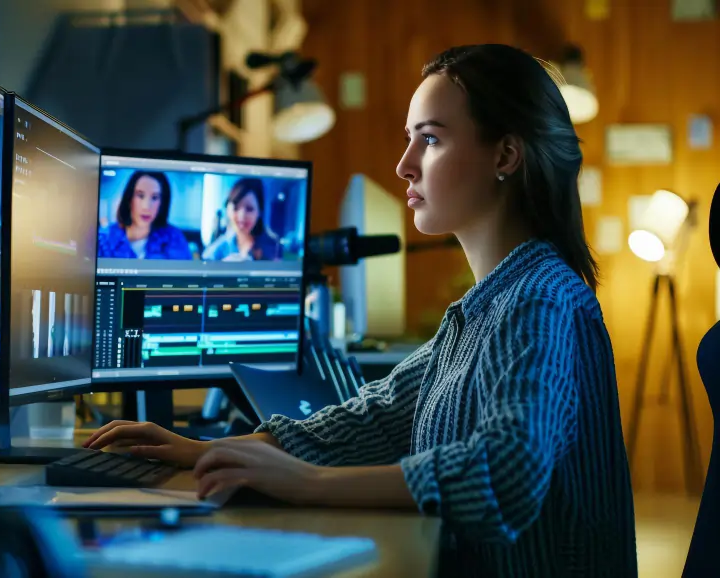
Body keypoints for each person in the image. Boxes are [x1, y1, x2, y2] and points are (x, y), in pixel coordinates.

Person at [83, 44, 638, 578]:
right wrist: (206, 448)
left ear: (506, 155)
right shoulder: (487, 307)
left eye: (431, 140)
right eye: (408, 140)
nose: (404, 165)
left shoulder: (539, 299)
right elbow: (370, 419)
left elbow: (505, 472)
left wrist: (306, 484)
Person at [97, 171, 192, 260]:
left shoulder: (174, 238)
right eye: (140, 196)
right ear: (129, 199)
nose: (146, 206)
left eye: (155, 198)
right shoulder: (104, 240)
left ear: (162, 203)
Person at [202, 178, 282, 262]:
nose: (242, 216)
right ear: (227, 210)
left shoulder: (273, 247)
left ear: (259, 211)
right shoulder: (215, 251)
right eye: (235, 208)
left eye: (249, 209)